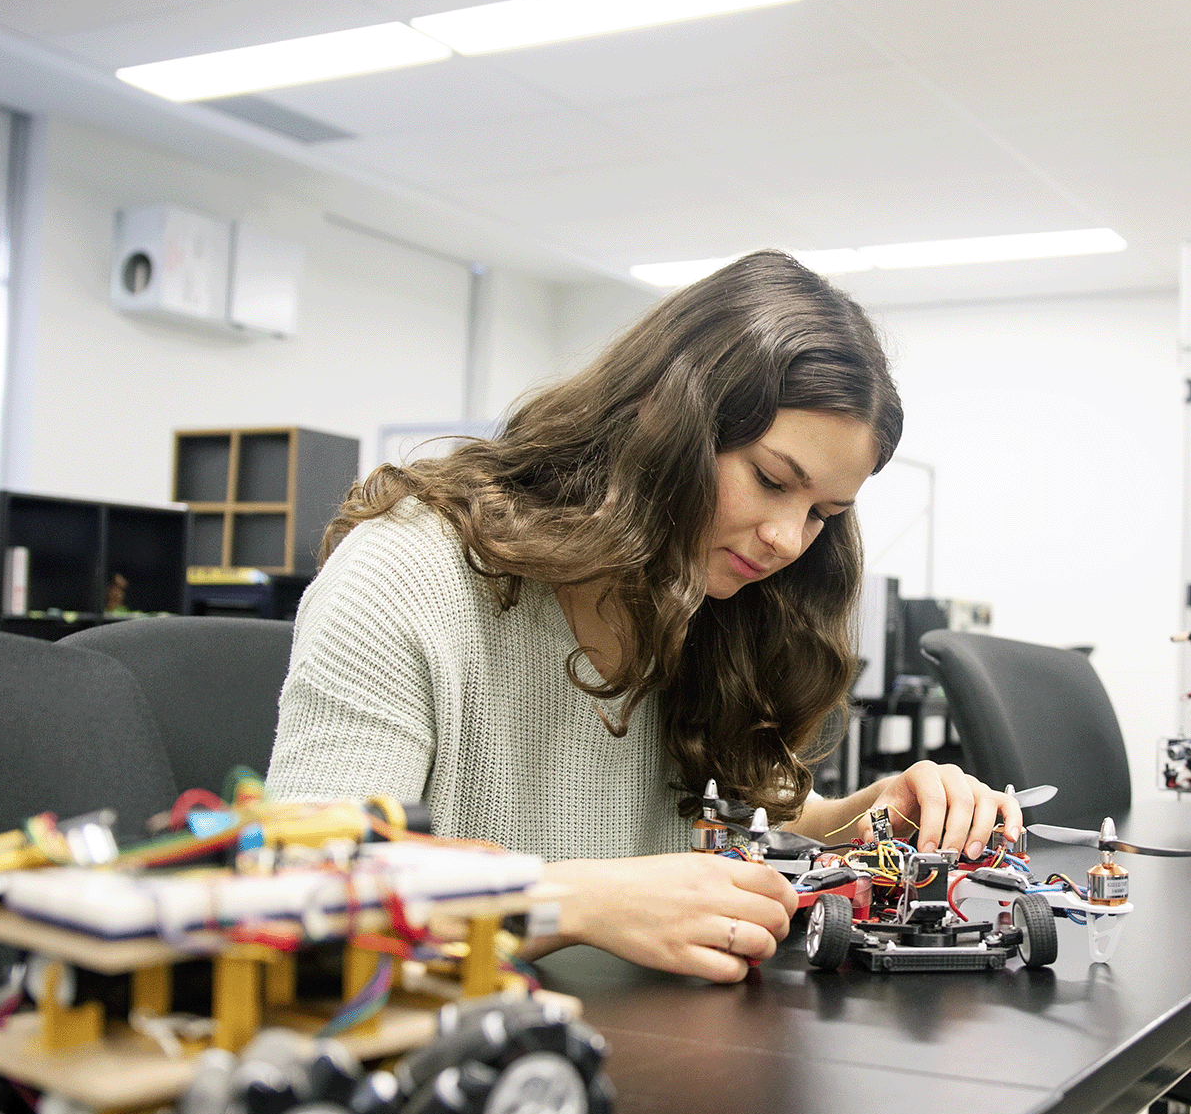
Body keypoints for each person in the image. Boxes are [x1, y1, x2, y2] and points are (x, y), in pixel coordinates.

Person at [268, 250, 1022, 983]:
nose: (789, 540)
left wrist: (871, 817)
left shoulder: (706, 598)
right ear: (662, 417)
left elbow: (755, 817)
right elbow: (308, 893)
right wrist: (575, 902)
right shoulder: (407, 572)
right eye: (768, 479)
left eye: (823, 512)